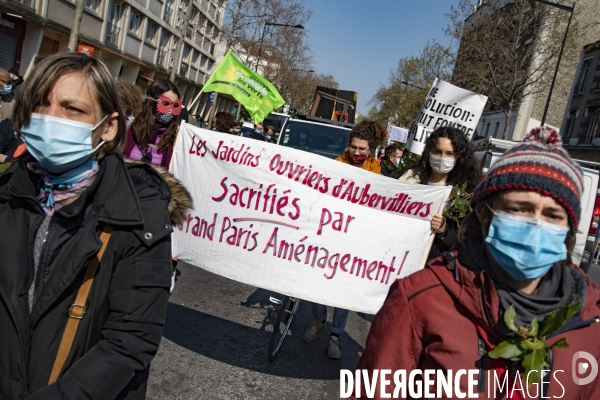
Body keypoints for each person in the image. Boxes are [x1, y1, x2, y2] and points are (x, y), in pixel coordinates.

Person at [351, 127, 600, 399]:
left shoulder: (590, 320)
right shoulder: (420, 299)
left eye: (552, 216)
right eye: (519, 209)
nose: (535, 226)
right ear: (484, 212)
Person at [0, 52, 191, 399]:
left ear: (108, 126)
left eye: (72, 110)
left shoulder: (140, 219)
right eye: (41, 106)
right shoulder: (5, 197)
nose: (51, 119)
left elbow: (130, 342)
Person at [303, 119, 387, 360]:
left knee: (343, 291)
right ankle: (318, 321)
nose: (357, 153)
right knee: (317, 284)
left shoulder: (378, 175)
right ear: (348, 145)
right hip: (329, 234)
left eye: (362, 149)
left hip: (356, 240)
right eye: (353, 147)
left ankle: (335, 335)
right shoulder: (335, 166)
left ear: (371, 149)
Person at [400, 126, 480, 261]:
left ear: (458, 157)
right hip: (402, 256)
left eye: (449, 153)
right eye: (437, 151)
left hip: (434, 265)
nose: (442, 158)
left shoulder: (464, 194)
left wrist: (444, 230)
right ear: (429, 152)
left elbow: (465, 241)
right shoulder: (408, 180)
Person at [124, 79, 182, 168]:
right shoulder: (127, 128)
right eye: (166, 103)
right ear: (151, 102)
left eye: (175, 105)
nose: (170, 110)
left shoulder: (176, 139)